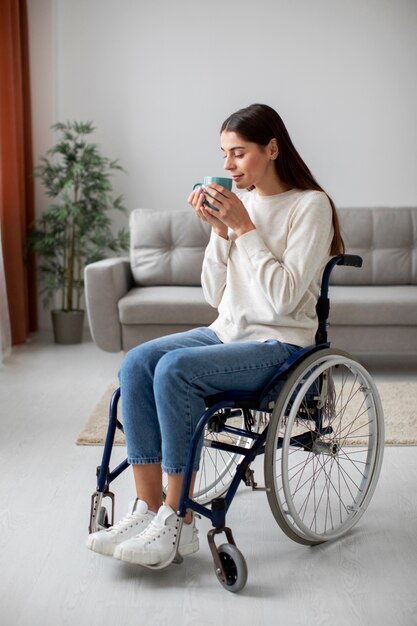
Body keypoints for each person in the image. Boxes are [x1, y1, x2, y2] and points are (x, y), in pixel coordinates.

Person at [86, 103, 344, 566]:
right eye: (224, 154)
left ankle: (178, 518)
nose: (227, 166)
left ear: (272, 149)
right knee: (137, 363)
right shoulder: (240, 207)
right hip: (225, 332)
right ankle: (148, 509)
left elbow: (284, 300)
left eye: (238, 154)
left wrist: (244, 229)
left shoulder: (310, 206)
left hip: (278, 345)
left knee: (175, 370)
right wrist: (219, 233)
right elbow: (213, 295)